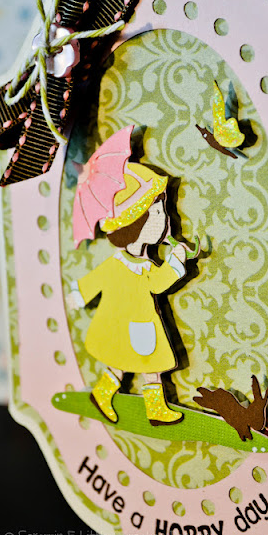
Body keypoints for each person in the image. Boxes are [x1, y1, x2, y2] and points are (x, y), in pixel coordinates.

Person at [67, 161, 188, 426]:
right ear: (135, 224)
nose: (164, 219)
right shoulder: (123, 264)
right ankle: (122, 401)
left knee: (137, 365)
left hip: (137, 326)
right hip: (127, 327)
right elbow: (155, 284)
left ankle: (142, 406)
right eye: (157, 213)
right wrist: (174, 264)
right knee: (141, 364)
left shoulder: (142, 262)